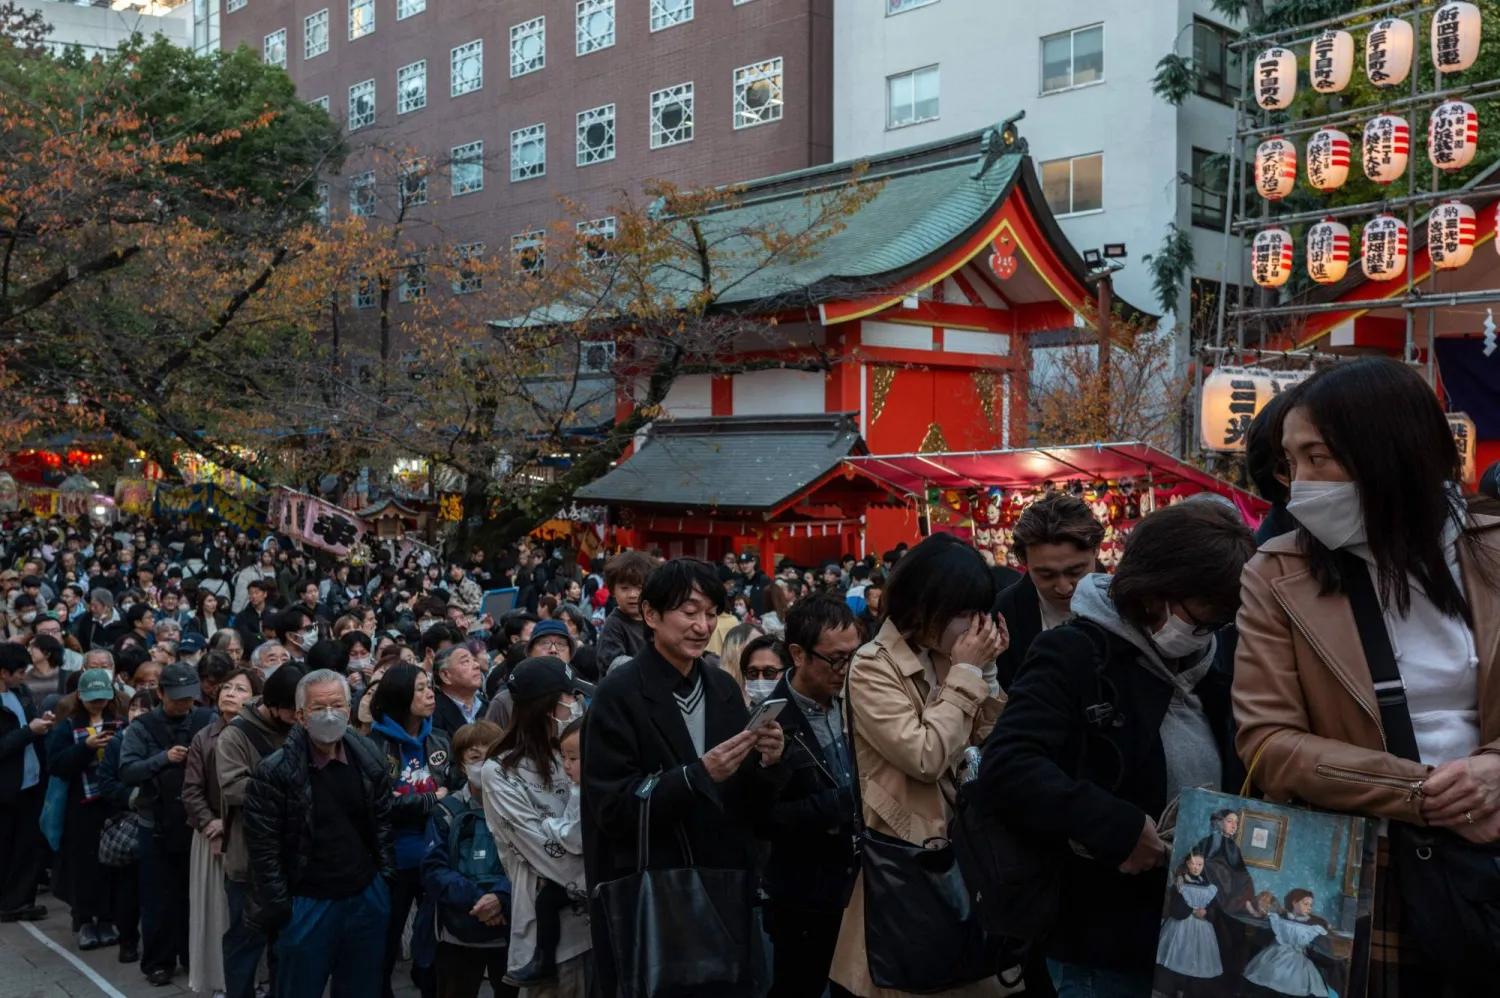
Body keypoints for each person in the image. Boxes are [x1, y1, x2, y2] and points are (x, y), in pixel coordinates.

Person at [1233, 358, 1500, 995]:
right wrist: (1428, 794)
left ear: (1390, 450)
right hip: (1366, 868)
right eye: (1291, 464)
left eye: (1318, 458)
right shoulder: (1277, 572)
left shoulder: (1492, 547)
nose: (1301, 486)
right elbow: (1268, 742)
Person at [980, 502, 1255, 998]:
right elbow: (1008, 766)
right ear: (1154, 592)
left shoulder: (1213, 656)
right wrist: (1117, 827)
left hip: (1200, 921)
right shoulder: (1076, 653)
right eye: (1197, 616)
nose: (1205, 629)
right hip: (1105, 930)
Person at [581, 557, 787, 998]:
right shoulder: (618, 696)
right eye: (689, 612)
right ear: (651, 615)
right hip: (656, 893)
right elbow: (612, 807)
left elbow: (746, 799)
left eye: (710, 614)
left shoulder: (723, 688)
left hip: (724, 886)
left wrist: (768, 763)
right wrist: (696, 777)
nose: (702, 625)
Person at [828, 534, 1009, 998]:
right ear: (928, 606)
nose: (975, 627)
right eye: (965, 614)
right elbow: (925, 755)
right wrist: (968, 676)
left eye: (979, 613)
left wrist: (986, 675)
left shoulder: (952, 659)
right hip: (910, 865)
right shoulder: (872, 666)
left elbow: (993, 744)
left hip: (969, 855)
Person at [242, 669, 394, 998]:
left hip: (365, 896)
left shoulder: (369, 757)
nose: (329, 714)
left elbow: (382, 822)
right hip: (307, 904)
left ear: (349, 708)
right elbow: (263, 850)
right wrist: (283, 909)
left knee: (362, 987)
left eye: (337, 705)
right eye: (318, 707)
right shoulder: (273, 772)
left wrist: (383, 879)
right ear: (300, 716)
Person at [766, 593, 862, 998]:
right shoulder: (769, 719)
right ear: (797, 654)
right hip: (804, 895)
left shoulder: (862, 698)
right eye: (835, 659)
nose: (846, 668)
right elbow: (761, 817)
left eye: (854, 655)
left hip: (863, 884)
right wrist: (845, 804)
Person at [481, 657, 590, 994]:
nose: (576, 705)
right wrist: (600, 876)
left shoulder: (577, 749)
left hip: (605, 926)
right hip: (557, 942)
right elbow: (543, 851)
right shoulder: (500, 773)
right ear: (548, 707)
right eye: (569, 698)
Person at [118, 659, 216, 985]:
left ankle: (193, 956)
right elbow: (128, 770)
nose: (184, 705)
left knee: (195, 896)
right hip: (155, 825)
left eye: (189, 698)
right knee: (158, 899)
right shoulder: (142, 727)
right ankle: (158, 962)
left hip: (195, 824)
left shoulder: (206, 719)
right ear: (160, 693)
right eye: (177, 698)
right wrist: (164, 759)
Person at [366, 663, 462, 998]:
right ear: (399, 694)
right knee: (384, 943)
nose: (429, 694)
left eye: (429, 687)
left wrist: (423, 799)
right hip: (392, 860)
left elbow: (454, 793)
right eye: (420, 688)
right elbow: (379, 807)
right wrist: (429, 799)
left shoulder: (439, 739)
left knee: (436, 940)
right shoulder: (372, 747)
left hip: (435, 854)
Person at [218, 665, 303, 998]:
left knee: (286, 942)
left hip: (291, 855)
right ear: (271, 703)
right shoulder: (236, 734)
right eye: (291, 712)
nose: (297, 719)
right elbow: (234, 789)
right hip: (248, 860)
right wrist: (286, 785)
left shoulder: (300, 727)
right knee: (245, 939)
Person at [421, 720, 517, 998]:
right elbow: (433, 870)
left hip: (511, 930)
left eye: (492, 756)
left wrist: (501, 897)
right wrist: (480, 901)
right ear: (461, 765)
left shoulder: (520, 805)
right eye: (475, 758)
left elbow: (534, 862)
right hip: (457, 932)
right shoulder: (446, 811)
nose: (484, 765)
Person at [182, 667, 261, 996]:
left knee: (251, 915)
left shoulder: (262, 735)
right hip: (211, 836)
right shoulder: (204, 736)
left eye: (240, 689)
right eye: (226, 687)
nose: (230, 693)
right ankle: (220, 981)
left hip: (253, 836)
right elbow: (191, 790)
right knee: (218, 915)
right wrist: (211, 824)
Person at [45, 669, 131, 949]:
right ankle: (83, 920)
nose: (97, 703)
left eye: (102, 698)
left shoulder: (118, 723)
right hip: (79, 807)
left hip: (111, 804)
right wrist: (86, 748)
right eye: (92, 698)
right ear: (80, 696)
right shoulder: (67, 727)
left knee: (110, 864)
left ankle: (107, 918)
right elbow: (56, 765)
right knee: (82, 866)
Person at [993, 494, 1104, 688]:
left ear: (1096, 550)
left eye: (1075, 571)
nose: (1064, 587)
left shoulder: (1126, 605)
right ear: (1024, 562)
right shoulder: (1003, 616)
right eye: (1046, 575)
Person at [0, 642, 53, 923]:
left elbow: (29, 726)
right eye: (19, 672)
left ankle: (19, 900)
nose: (24, 677)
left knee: (27, 846)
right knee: (7, 848)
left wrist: (41, 724)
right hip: (6, 790)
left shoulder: (20, 695)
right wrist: (27, 732)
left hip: (30, 784)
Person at [1154, 852, 1222, 997]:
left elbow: (1213, 908)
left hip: (1202, 929)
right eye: (1193, 864)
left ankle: (1187, 991)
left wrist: (1206, 912)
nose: (1196, 868)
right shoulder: (1180, 882)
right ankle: (1170, 990)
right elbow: (1174, 908)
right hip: (1181, 926)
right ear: (1187, 864)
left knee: (1196, 960)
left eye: (1200, 865)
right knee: (1176, 956)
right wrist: (1192, 910)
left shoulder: (1208, 885)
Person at [594, 551, 652, 674]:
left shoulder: (655, 619)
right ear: (613, 591)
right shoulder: (614, 624)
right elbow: (611, 663)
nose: (632, 595)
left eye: (639, 588)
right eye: (624, 588)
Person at [432, 644, 488, 737]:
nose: (477, 665)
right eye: (466, 661)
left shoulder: (488, 706)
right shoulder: (433, 715)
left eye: (474, 660)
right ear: (445, 675)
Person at [232, 579, 273, 649]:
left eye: (256, 593)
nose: (253, 596)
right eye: (250, 593)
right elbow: (244, 637)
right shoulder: (242, 616)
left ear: (265, 594)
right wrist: (261, 637)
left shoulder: (273, 613)